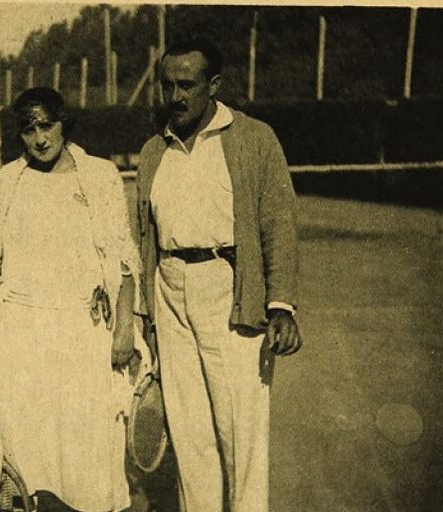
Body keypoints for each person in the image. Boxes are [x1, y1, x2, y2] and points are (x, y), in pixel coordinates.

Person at [135, 38, 302, 512]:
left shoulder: (254, 138)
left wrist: (281, 305)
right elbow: (145, 235)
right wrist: (147, 314)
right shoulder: (154, 149)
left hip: (228, 291)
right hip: (169, 293)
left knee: (241, 438)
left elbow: (279, 224)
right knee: (191, 439)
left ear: (214, 85)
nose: (175, 96)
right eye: (167, 85)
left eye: (187, 85)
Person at [0, 87, 142, 512]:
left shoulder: (100, 175)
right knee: (27, 456)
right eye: (29, 129)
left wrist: (124, 330)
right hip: (20, 335)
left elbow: (123, 260)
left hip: (83, 334)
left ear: (64, 123)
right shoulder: (7, 181)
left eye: (47, 125)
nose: (40, 138)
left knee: (90, 454)